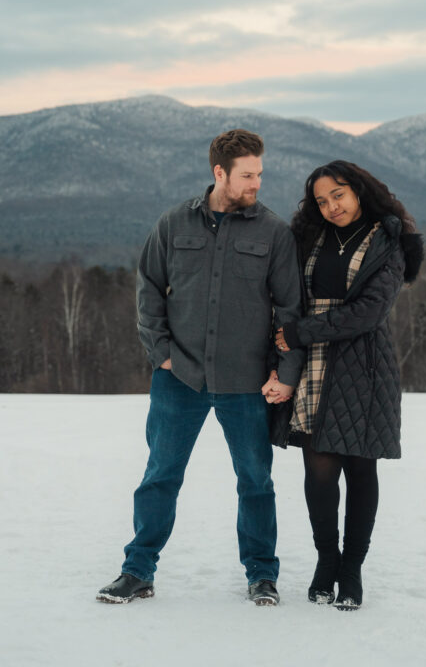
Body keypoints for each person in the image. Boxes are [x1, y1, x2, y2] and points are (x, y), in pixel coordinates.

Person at [97, 129, 303, 607]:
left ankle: (261, 576)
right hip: (179, 378)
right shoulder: (173, 224)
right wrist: (161, 351)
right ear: (219, 173)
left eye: (259, 174)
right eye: (247, 175)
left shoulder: (273, 233)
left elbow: (290, 312)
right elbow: (148, 287)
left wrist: (285, 373)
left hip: (246, 381)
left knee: (256, 481)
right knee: (159, 477)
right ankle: (137, 571)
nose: (256, 183)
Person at [274, 160, 423, 611]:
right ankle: (326, 561)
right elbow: (286, 295)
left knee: (360, 468)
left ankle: (352, 570)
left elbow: (369, 312)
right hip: (316, 364)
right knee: (318, 470)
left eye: (338, 194)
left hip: (364, 363)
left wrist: (302, 331)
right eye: (321, 200)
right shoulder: (309, 239)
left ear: (358, 190)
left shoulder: (388, 241)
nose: (331, 206)